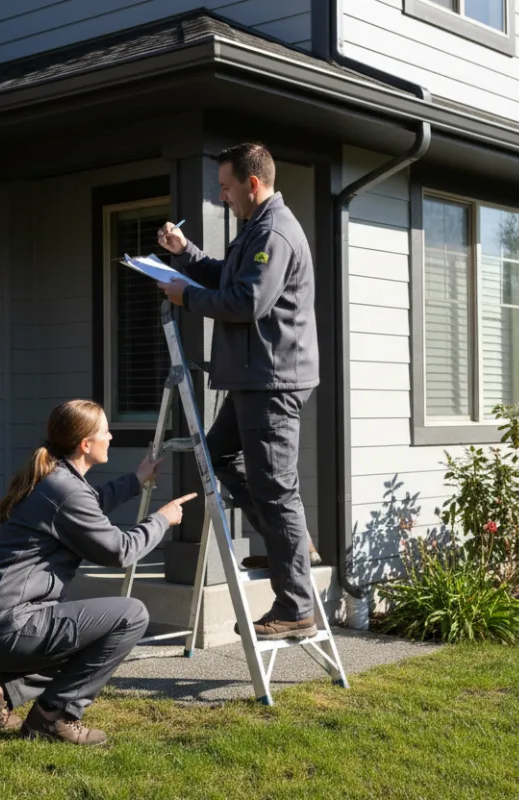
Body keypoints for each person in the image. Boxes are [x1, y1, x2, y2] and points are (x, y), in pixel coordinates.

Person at [155, 142, 321, 641]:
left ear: (252, 183)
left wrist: (186, 296)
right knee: (221, 456)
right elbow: (230, 279)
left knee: (276, 487)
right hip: (254, 378)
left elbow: (247, 300)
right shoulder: (254, 228)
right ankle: (284, 543)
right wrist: (186, 257)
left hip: (271, 381)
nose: (223, 197)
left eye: (226, 188)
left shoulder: (274, 231)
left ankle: (296, 604)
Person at [0, 399, 197, 745]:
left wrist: (135, 480)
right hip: (6, 629)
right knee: (129, 616)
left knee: (91, 629)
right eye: (105, 432)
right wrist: (162, 520)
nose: (111, 436)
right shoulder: (63, 490)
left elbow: (90, 504)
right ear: (86, 444)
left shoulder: (56, 480)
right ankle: (54, 715)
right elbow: (119, 551)